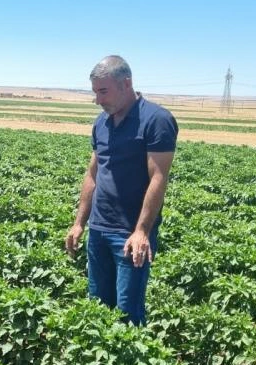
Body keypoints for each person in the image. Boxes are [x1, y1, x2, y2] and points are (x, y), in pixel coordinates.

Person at [64, 55, 178, 326]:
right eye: (95, 93)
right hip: (99, 230)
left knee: (127, 314)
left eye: (103, 91)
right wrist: (79, 223)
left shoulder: (156, 120)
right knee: (98, 309)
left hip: (129, 235)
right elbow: (93, 173)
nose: (98, 100)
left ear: (126, 84)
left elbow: (158, 178)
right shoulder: (101, 122)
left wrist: (142, 231)